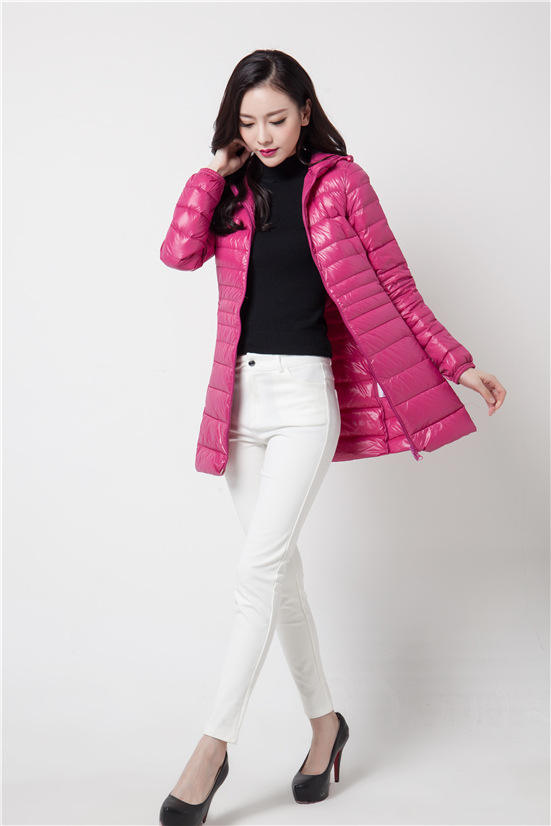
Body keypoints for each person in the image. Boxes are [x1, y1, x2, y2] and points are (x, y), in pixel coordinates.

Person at [157, 49, 506, 826]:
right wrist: (211, 173)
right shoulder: (232, 189)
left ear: (305, 111)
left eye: (277, 119)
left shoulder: (342, 184)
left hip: (304, 403)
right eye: (249, 122)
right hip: (239, 401)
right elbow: (177, 254)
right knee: (278, 576)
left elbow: (396, 286)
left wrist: (458, 363)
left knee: (256, 572)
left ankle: (211, 748)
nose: (264, 135)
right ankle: (326, 727)